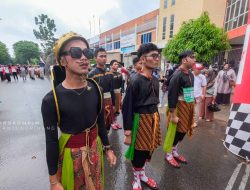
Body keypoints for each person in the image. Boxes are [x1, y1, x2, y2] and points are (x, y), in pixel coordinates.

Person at [41, 32, 116, 190]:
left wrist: (108, 149)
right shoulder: (51, 100)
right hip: (70, 157)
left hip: (95, 150)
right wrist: (53, 181)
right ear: (63, 61)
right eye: (76, 52)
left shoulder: (96, 88)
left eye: (87, 53)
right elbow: (51, 141)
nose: (83, 58)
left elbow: (100, 122)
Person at [122, 43, 161, 190]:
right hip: (140, 120)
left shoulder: (156, 80)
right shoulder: (135, 81)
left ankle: (143, 175)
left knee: (148, 150)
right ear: (143, 59)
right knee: (138, 152)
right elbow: (127, 107)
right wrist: (128, 132)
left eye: (158, 56)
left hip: (153, 119)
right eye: (153, 56)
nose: (157, 59)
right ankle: (136, 179)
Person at [165, 50, 196, 168]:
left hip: (188, 105)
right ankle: (168, 154)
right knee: (176, 131)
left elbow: (189, 91)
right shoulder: (177, 75)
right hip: (178, 106)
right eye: (192, 57)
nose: (194, 60)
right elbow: (172, 94)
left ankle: (174, 151)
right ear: (184, 60)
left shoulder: (190, 74)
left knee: (183, 130)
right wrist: (173, 114)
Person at [88, 48, 115, 133]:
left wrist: (113, 104)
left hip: (109, 100)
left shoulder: (110, 73)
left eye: (105, 56)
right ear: (96, 58)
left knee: (108, 123)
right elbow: (90, 93)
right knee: (100, 124)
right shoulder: (92, 74)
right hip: (98, 102)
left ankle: (106, 142)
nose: (104, 58)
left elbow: (112, 90)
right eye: (101, 56)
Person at [110, 60, 123, 130]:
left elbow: (122, 83)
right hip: (112, 93)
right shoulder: (109, 74)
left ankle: (116, 122)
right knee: (113, 108)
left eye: (117, 64)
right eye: (115, 64)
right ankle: (112, 123)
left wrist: (122, 93)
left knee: (118, 109)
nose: (116, 65)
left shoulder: (119, 74)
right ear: (111, 65)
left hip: (118, 92)